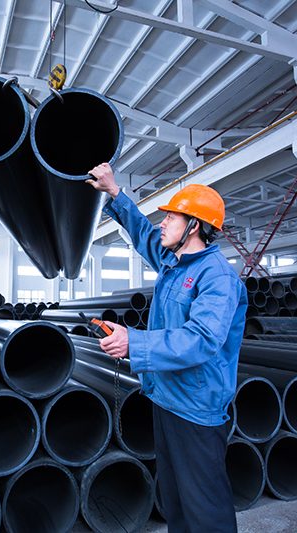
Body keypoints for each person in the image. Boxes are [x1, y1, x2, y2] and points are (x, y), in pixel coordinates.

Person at [86, 162, 247, 533]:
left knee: (206, 508)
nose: (163, 223)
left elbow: (203, 339)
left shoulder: (217, 275)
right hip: (165, 397)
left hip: (196, 407)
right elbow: (144, 233)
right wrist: (114, 192)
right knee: (175, 499)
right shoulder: (174, 263)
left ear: (194, 226)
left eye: (171, 217)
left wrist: (134, 341)